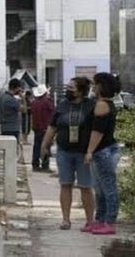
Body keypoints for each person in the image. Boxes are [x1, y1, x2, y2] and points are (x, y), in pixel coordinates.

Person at [41, 77, 96, 231]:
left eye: (72, 87)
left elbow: (95, 130)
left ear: (80, 90)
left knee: (85, 186)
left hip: (83, 153)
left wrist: (91, 151)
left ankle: (90, 221)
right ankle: (65, 219)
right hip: (64, 152)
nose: (68, 90)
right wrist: (44, 145)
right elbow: (52, 127)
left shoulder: (90, 106)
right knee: (65, 185)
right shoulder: (62, 106)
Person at [84, 73, 121, 235]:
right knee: (99, 189)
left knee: (108, 187)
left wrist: (90, 151)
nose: (92, 86)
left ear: (100, 86)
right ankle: (100, 220)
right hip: (103, 151)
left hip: (103, 151)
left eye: (94, 84)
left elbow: (97, 131)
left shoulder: (102, 105)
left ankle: (109, 221)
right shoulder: (102, 103)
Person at [0, 79, 27, 162]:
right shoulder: (12, 100)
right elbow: (24, 110)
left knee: (6, 151)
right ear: (17, 88)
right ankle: (12, 170)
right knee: (12, 152)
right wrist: (23, 98)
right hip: (13, 128)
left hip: (4, 128)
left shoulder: (2, 96)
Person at [31, 84, 54, 171]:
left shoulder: (34, 102)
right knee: (46, 146)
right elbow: (53, 112)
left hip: (36, 127)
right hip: (45, 127)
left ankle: (35, 165)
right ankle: (45, 165)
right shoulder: (48, 102)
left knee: (36, 146)